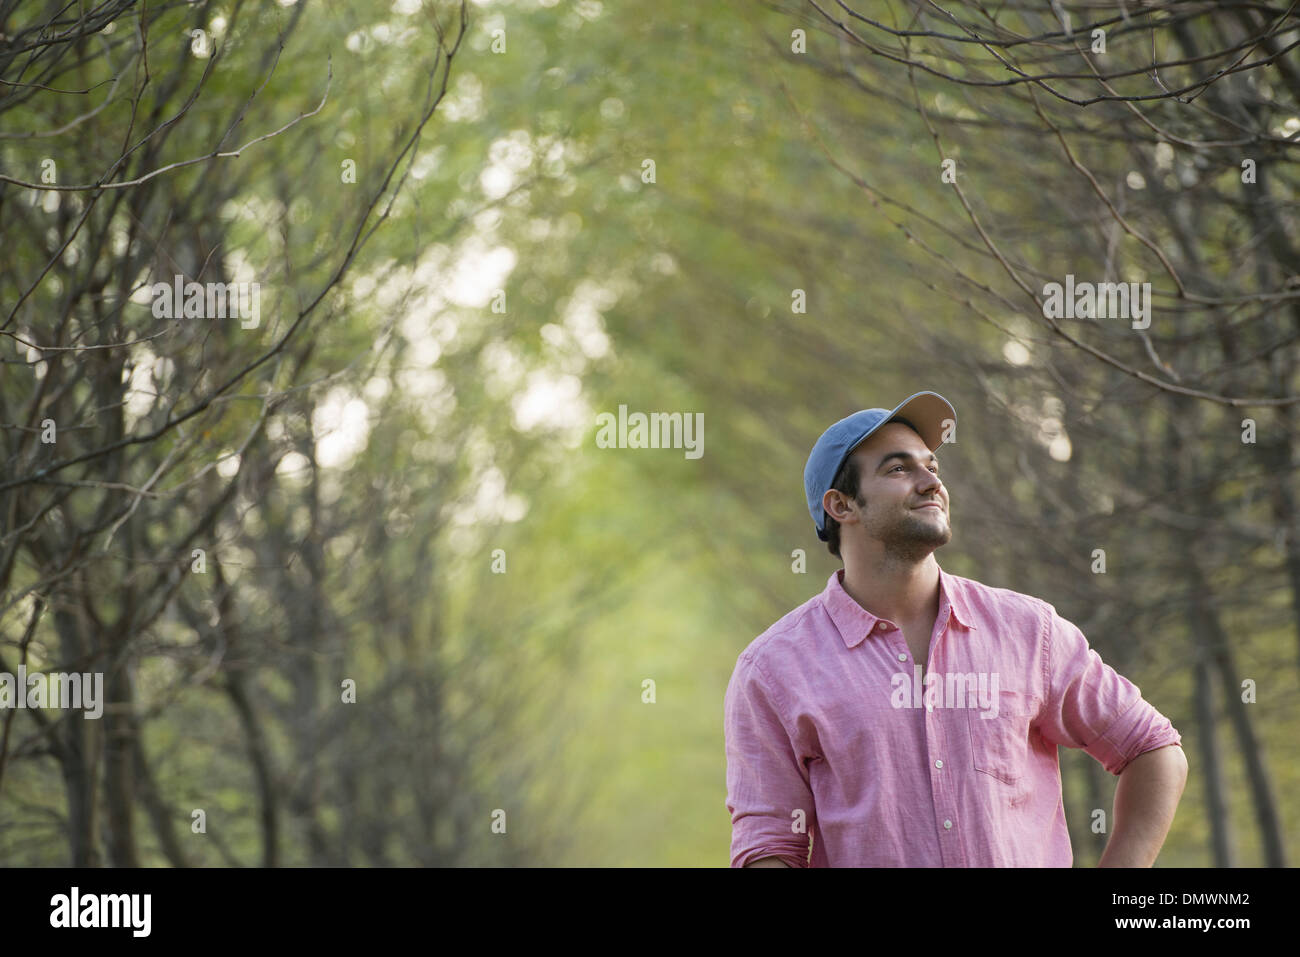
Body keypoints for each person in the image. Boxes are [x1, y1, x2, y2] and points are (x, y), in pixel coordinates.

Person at [724, 391, 1187, 867]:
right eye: (899, 469)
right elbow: (769, 846)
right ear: (842, 505)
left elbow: (1152, 749)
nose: (931, 483)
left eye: (933, 467)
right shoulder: (773, 671)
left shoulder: (1028, 631)